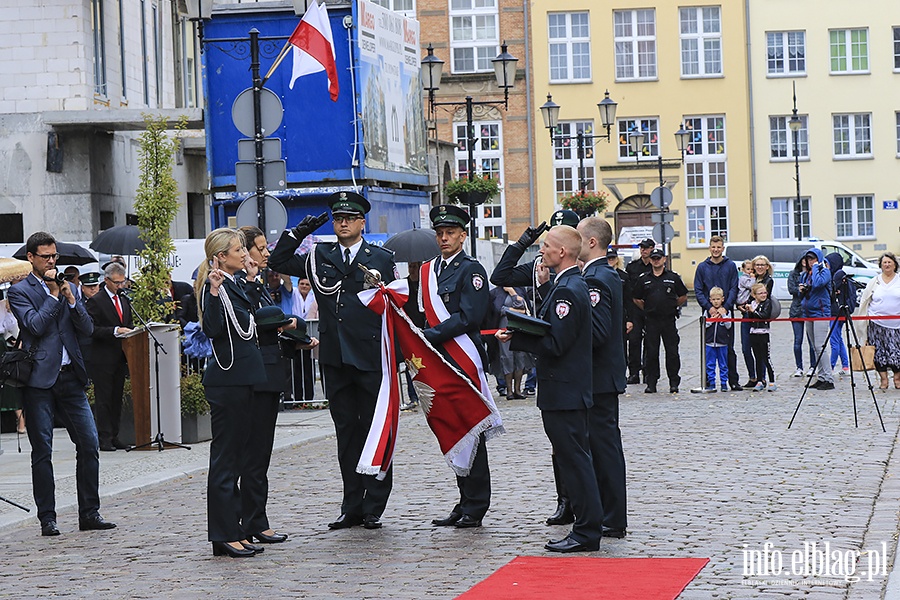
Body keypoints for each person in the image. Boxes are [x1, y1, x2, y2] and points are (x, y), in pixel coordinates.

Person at [268, 191, 397, 530]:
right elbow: (277, 261)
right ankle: (352, 504)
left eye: (349, 218)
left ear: (361, 222)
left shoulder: (380, 259)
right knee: (346, 433)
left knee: (374, 430)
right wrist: (296, 232)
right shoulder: (319, 255)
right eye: (338, 217)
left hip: (370, 357)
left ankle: (374, 505)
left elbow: (397, 308)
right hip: (336, 358)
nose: (342, 222)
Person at [497, 225, 602, 553]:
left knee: (575, 461)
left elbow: (557, 343)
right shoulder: (563, 285)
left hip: (565, 391)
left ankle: (586, 531)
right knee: (573, 460)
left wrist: (519, 334)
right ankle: (586, 527)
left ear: (563, 252)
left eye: (546, 247)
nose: (541, 252)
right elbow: (555, 329)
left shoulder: (569, 289)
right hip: (565, 390)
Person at [8, 231, 116, 537]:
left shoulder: (69, 287)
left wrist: (71, 300)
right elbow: (35, 325)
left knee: (90, 443)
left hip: (70, 378)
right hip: (39, 381)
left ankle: (89, 513)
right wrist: (54, 296)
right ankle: (48, 517)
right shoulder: (19, 291)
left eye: (54, 256)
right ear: (31, 258)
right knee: (42, 450)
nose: (52, 262)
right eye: (46, 257)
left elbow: (87, 327)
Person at [490, 209, 579, 527]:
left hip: (568, 366)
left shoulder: (576, 274)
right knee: (558, 443)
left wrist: (542, 289)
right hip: (549, 366)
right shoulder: (539, 267)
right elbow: (499, 277)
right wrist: (523, 241)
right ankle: (564, 500)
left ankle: (580, 501)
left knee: (575, 442)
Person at [421, 204, 495, 529]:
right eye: (439, 233)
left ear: (463, 235)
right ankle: (463, 499)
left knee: (471, 429)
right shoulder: (429, 270)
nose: (444, 238)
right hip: (439, 363)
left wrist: (429, 336)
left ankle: (476, 504)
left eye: (450, 232)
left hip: (463, 359)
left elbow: (470, 317)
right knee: (451, 429)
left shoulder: (472, 270)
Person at [196, 228, 267, 558]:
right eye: (238, 250)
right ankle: (223, 534)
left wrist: (252, 281)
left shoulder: (235, 284)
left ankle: (235, 529)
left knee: (237, 459)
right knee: (225, 461)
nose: (245, 254)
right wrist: (212, 290)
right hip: (228, 381)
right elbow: (212, 327)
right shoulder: (215, 287)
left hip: (243, 378)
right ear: (221, 257)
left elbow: (248, 317)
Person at [238, 225, 297, 545]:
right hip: (255, 378)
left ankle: (255, 518)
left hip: (269, 373)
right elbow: (253, 323)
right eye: (259, 248)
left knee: (260, 455)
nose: (265, 253)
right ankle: (252, 520)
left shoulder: (259, 284)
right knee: (253, 455)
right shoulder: (242, 284)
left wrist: (293, 339)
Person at [577, 217, 628, 540]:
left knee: (604, 446)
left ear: (591, 242)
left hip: (598, 375)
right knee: (602, 444)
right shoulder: (602, 274)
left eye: (577, 238)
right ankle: (609, 513)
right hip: (602, 374)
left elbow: (596, 332)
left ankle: (612, 516)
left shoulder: (596, 278)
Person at [85, 261, 134, 451]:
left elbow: (127, 322)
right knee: (104, 398)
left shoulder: (124, 299)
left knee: (116, 397)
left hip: (120, 356)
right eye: (116, 283)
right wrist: (114, 331)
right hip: (102, 357)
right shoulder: (96, 301)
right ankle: (103, 437)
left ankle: (115, 434)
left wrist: (131, 331)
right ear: (106, 280)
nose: (120, 286)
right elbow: (91, 329)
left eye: (122, 282)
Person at [631, 247, 687, 394]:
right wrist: (647, 308)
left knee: (672, 353)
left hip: (668, 320)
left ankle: (673, 382)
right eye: (653, 258)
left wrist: (671, 306)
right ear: (650, 260)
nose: (656, 261)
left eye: (658, 258)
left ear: (664, 259)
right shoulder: (644, 279)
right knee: (651, 353)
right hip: (651, 321)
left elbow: (682, 296)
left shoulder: (673, 277)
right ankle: (651, 382)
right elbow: (636, 298)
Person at [692, 235, 741, 391]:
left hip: (726, 312)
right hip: (709, 314)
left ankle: (732, 380)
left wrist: (725, 307)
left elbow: (734, 288)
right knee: (708, 349)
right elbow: (698, 290)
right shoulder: (702, 267)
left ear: (723, 248)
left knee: (729, 348)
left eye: (719, 247)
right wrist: (709, 307)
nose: (716, 250)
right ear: (709, 248)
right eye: (713, 247)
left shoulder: (730, 266)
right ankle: (708, 380)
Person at [859, 252, 900, 390]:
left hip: (896, 325)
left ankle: (897, 378)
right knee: (879, 354)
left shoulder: (899, 280)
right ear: (881, 265)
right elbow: (865, 300)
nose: (887, 265)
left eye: (889, 262)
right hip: (876, 323)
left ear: (895, 264)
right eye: (884, 263)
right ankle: (883, 380)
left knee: (896, 353)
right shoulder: (875, 281)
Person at [799, 248, 834, 390]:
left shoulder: (824, 271)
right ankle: (821, 377)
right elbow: (801, 294)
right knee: (815, 348)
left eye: (813, 258)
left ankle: (829, 378)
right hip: (808, 313)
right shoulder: (805, 275)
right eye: (808, 259)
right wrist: (802, 289)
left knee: (821, 346)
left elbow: (819, 283)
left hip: (821, 312)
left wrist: (816, 268)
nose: (810, 261)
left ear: (818, 259)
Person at [624, 238, 655, 385]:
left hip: (650, 308)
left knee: (650, 341)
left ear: (652, 248)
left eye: (647, 248)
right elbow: (628, 290)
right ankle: (634, 372)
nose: (644, 250)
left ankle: (648, 372)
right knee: (634, 341)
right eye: (642, 248)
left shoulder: (655, 266)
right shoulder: (633, 267)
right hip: (635, 308)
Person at [741, 283, 776, 391]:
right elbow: (751, 317)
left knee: (766, 358)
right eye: (760, 293)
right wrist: (748, 310)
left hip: (763, 333)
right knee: (757, 358)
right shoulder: (752, 303)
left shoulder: (767, 303)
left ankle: (772, 381)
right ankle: (759, 380)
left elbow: (764, 315)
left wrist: (753, 311)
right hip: (754, 332)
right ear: (754, 295)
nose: (763, 295)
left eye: (765, 292)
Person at [290, 277, 318, 403]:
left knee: (309, 368)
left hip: (309, 334)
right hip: (294, 334)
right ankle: (297, 398)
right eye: (302, 283)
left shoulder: (314, 297)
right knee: (295, 369)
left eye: (307, 284)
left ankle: (309, 398)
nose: (304, 286)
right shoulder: (293, 294)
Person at [825, 252, 851, 378]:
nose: (826, 266)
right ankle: (845, 366)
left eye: (827, 263)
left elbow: (831, 293)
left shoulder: (837, 276)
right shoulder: (838, 275)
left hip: (836, 313)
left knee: (834, 340)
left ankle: (831, 367)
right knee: (839, 340)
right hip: (838, 312)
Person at [787, 257, 813, 378]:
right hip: (796, 309)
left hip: (808, 309)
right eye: (803, 259)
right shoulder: (793, 274)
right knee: (798, 340)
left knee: (811, 341)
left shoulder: (812, 273)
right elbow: (791, 289)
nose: (805, 261)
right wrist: (799, 289)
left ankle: (813, 366)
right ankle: (799, 367)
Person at [606, 247, 633, 359]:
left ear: (617, 259)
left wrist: (630, 319)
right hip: (607, 314)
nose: (610, 260)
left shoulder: (623, 276)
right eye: (608, 258)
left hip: (621, 315)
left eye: (612, 258)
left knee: (622, 347)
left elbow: (629, 300)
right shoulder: (601, 275)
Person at [704, 287, 732, 392]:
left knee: (723, 364)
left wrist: (723, 315)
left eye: (718, 299)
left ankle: (724, 383)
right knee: (710, 364)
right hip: (710, 343)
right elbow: (704, 325)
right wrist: (712, 319)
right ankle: (711, 382)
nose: (716, 302)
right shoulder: (708, 312)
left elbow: (729, 325)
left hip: (722, 343)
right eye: (714, 299)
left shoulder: (726, 311)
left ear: (722, 299)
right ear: (710, 300)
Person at [736, 260, 756, 385]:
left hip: (755, 316)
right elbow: (751, 286)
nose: (750, 272)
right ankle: (752, 376)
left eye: (752, 270)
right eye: (748, 270)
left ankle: (760, 377)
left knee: (759, 349)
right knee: (746, 348)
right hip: (745, 313)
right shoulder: (744, 279)